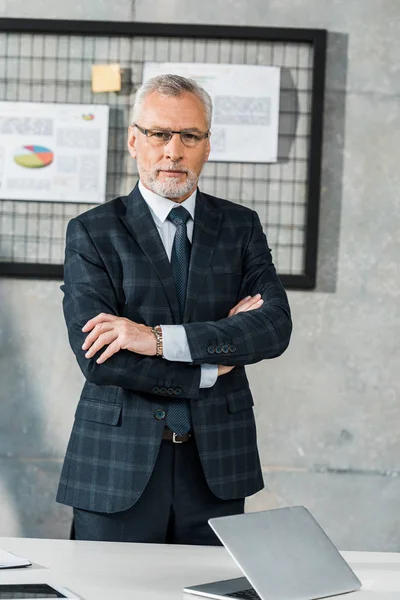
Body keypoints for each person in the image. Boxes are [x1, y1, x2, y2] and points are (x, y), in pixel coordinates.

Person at [56, 74, 292, 545]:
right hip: (116, 464)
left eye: (189, 135)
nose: (173, 150)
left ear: (207, 145)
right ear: (133, 141)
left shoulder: (241, 227)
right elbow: (100, 359)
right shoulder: (93, 233)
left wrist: (155, 338)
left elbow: (272, 327)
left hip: (218, 463)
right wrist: (209, 367)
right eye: (159, 134)